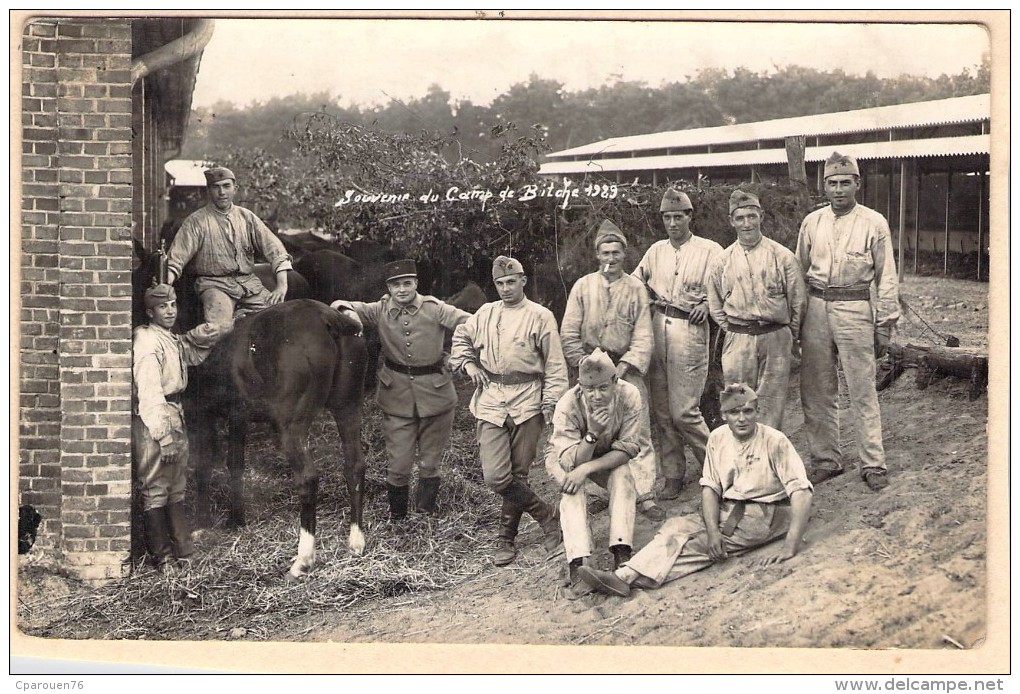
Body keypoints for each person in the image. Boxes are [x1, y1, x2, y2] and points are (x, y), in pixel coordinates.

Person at [577, 383, 814, 598]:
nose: (741, 419)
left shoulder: (775, 440)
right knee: (675, 527)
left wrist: (790, 546)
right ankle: (628, 576)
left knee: (695, 545)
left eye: (747, 411)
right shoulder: (718, 438)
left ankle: (627, 578)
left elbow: (801, 491)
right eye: (734, 413)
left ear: (757, 412)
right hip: (729, 508)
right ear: (723, 415)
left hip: (764, 514)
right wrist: (713, 531)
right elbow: (710, 488)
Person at [449, 255, 568, 566]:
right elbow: (461, 336)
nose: (505, 288)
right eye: (500, 283)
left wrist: (551, 402)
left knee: (518, 474)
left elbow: (555, 364)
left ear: (523, 281)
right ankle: (547, 514)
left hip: (527, 400)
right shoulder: (486, 313)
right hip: (490, 400)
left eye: (510, 281)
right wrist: (468, 362)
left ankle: (506, 538)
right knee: (496, 476)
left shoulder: (540, 316)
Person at [330, 259, 471, 518]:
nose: (402, 289)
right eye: (396, 285)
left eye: (407, 283)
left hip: (437, 394)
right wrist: (348, 313)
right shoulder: (379, 310)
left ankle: (424, 514)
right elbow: (340, 305)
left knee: (430, 463)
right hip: (396, 396)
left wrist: (459, 354)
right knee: (398, 465)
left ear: (416, 284)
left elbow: (472, 324)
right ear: (388, 288)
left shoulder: (435, 308)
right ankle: (398, 518)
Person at [795, 152, 900, 492]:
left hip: (854, 306)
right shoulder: (812, 222)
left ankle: (872, 463)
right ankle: (827, 460)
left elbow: (887, 277)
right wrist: (797, 321)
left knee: (862, 388)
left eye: (845, 182)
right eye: (832, 183)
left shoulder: (873, 222)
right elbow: (799, 271)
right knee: (817, 389)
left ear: (857, 183)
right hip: (816, 307)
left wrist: (884, 322)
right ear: (823, 185)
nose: (838, 189)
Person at [559, 220, 663, 522]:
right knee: (593, 430)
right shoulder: (583, 286)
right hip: (591, 372)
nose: (610, 258)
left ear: (625, 254)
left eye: (616, 252)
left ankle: (645, 494)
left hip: (624, 369)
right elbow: (569, 331)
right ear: (597, 255)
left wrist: (624, 365)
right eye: (605, 252)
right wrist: (584, 364)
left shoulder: (635, 288)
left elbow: (644, 335)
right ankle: (601, 492)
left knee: (638, 432)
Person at [634, 188, 724, 501]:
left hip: (690, 327)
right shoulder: (655, 251)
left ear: (689, 216)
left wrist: (709, 306)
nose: (673, 223)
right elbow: (635, 283)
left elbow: (727, 285)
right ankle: (673, 474)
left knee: (684, 410)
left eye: (678, 216)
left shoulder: (710, 250)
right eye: (668, 217)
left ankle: (718, 468)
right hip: (659, 325)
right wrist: (642, 300)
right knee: (661, 410)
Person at [132, 284, 219, 571]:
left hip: (174, 412)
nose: (169, 311)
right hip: (155, 417)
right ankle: (163, 557)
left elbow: (189, 349)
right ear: (149, 312)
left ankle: (185, 552)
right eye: (162, 307)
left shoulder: (168, 338)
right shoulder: (147, 341)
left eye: (172, 304)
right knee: (155, 486)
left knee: (176, 486)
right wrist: (163, 436)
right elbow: (149, 392)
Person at [546, 349, 642, 599]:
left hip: (606, 456)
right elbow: (570, 463)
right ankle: (578, 563)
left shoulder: (629, 395)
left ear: (614, 381)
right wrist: (592, 434)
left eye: (602, 388)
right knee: (571, 487)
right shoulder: (567, 404)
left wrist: (588, 467)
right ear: (580, 387)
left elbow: (629, 448)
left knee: (623, 475)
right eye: (590, 390)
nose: (596, 396)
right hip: (567, 457)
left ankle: (621, 552)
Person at [707, 190, 806, 429]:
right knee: (737, 403)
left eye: (752, 216)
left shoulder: (782, 256)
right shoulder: (722, 260)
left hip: (775, 338)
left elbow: (798, 301)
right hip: (738, 339)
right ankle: (742, 461)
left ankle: (767, 462)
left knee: (771, 405)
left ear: (761, 216)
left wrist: (787, 334)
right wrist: (734, 330)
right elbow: (715, 305)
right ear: (731, 221)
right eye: (740, 218)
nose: (747, 223)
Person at [165, 166, 293, 330]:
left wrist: (281, 286)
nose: (222, 192)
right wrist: (167, 283)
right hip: (214, 285)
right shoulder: (196, 222)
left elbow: (275, 250)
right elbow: (176, 259)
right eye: (216, 187)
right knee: (220, 330)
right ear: (209, 191)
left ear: (235, 189)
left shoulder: (247, 217)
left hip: (249, 285)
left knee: (278, 320)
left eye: (226, 186)